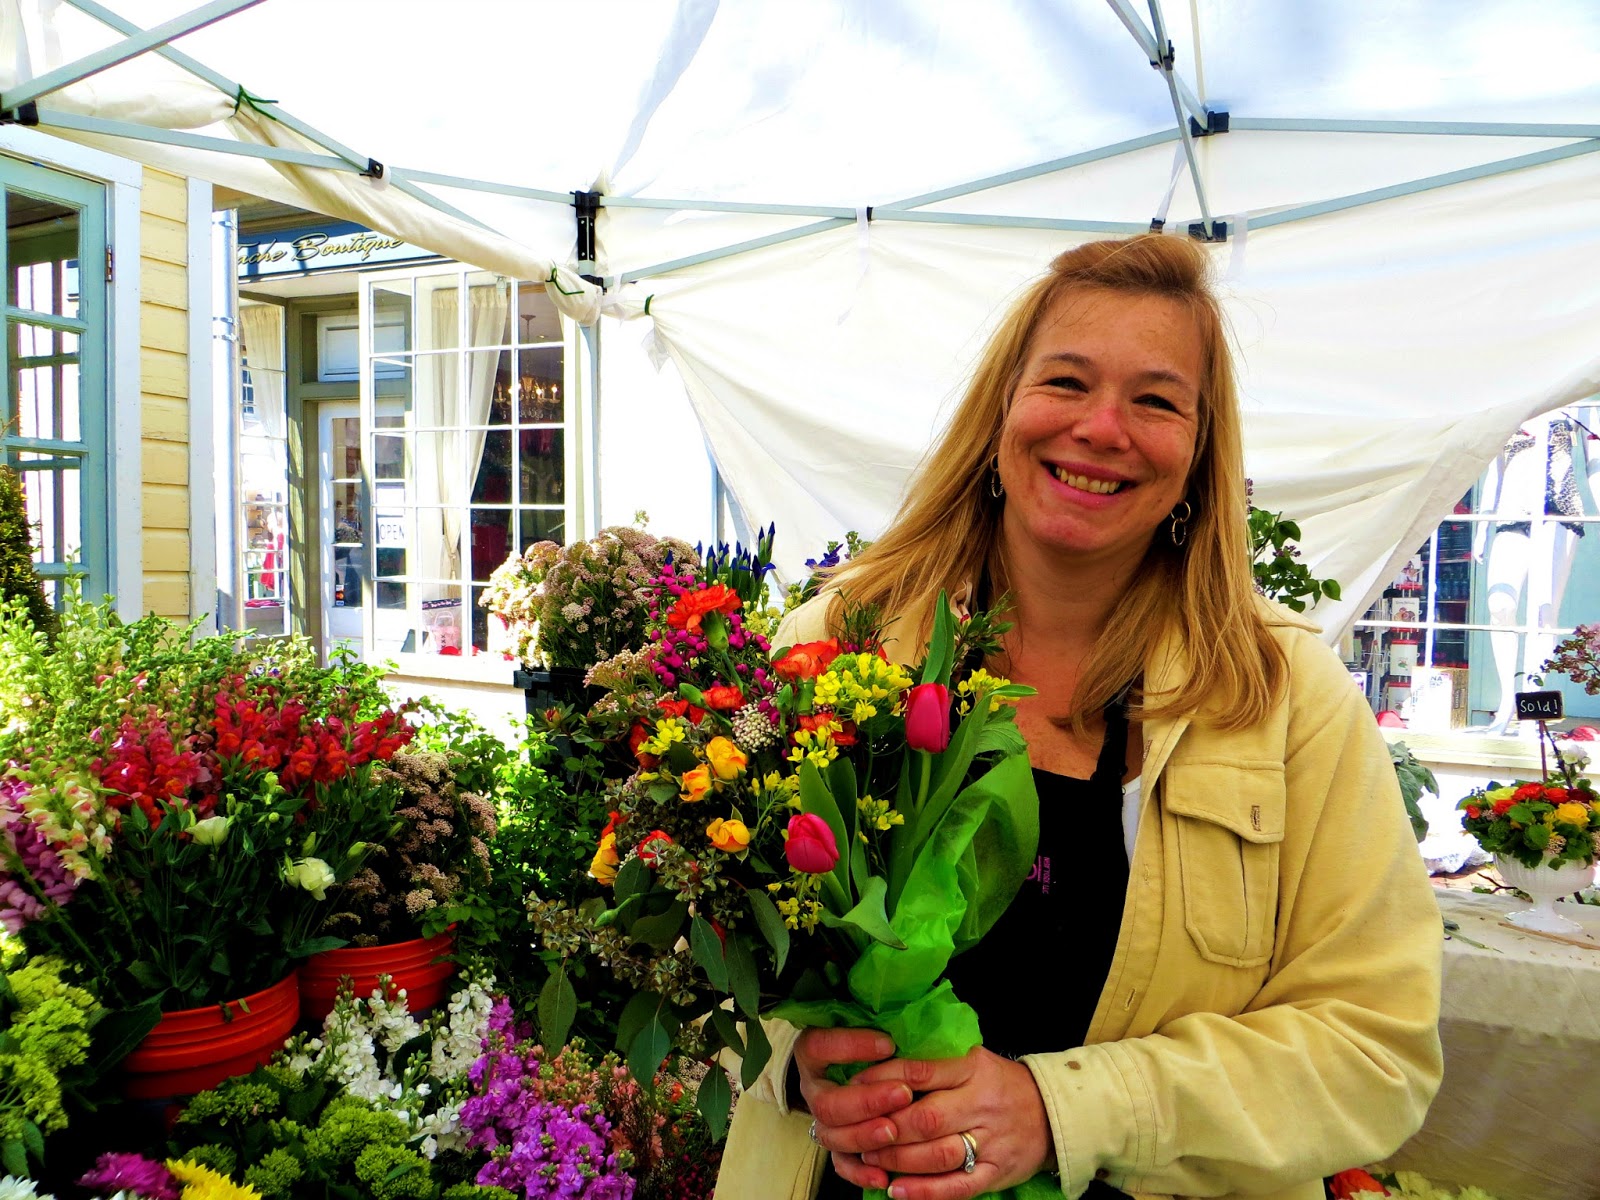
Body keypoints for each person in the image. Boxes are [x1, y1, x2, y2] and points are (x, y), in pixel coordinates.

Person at [711, 235, 1442, 1200]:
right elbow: (710, 956)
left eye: (1155, 399)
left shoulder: (1282, 695)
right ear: (1002, 413)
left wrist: (1062, 1110)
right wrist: (794, 1066)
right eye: (1066, 382)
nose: (1103, 429)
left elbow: (1373, 1048)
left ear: (1198, 454)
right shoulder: (839, 641)